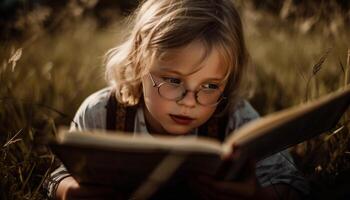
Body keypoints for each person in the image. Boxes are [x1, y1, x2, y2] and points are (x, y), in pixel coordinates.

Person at [44, 0, 309, 199]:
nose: (189, 101)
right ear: (138, 64)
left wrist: (255, 195)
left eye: (210, 85)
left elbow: (294, 183)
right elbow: (55, 177)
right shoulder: (102, 112)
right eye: (173, 81)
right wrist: (73, 193)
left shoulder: (235, 117)